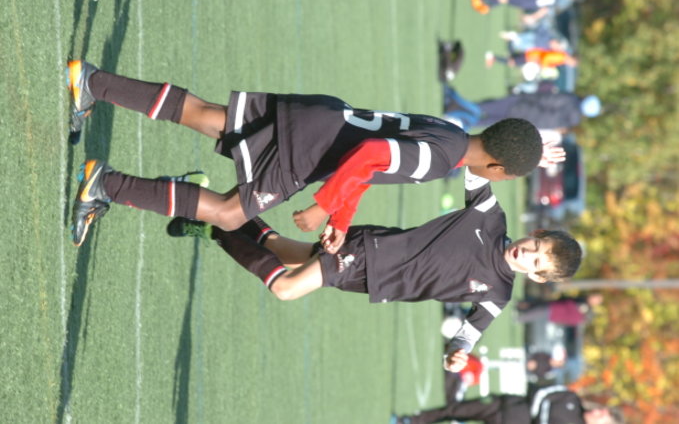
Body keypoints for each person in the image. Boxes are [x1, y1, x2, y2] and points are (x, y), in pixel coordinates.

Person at [66, 60, 561, 248]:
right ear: (496, 168)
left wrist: (341, 218)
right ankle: (103, 184)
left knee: (206, 114)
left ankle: (91, 81)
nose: (500, 181)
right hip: (309, 151)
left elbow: (370, 166)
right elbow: (368, 157)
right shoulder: (440, 161)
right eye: (506, 177)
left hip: (321, 117)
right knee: (230, 213)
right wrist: (324, 205)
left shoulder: (451, 132)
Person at [165, 168, 582, 373]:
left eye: (536, 261)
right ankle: (215, 226)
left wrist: (458, 354)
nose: (528, 253)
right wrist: (519, 158)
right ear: (536, 233)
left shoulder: (498, 295)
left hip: (374, 282)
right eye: (536, 245)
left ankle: (212, 206)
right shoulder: (491, 216)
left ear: (537, 277)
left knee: (284, 251)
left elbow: (467, 335)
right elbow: (476, 166)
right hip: (372, 250)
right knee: (286, 288)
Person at [392, 372, 624, 424]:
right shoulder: (571, 398)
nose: (597, 412)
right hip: (503, 405)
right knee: (455, 410)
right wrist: (539, 416)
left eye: (602, 417)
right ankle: (410, 421)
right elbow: (541, 393)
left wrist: (539, 415)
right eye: (601, 410)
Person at [443, 84, 602, 132]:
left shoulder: (570, 100)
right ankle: (457, 120)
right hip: (524, 121)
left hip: (523, 105)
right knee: (485, 121)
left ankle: (453, 102)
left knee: (484, 107)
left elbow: (546, 100)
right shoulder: (572, 121)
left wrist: (525, 95)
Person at [469, 0, 580, 27]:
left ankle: (481, 1)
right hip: (531, 1)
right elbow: (545, 9)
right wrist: (533, 17)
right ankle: (486, 6)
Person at [516, 293, 604, 326]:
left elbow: (571, 311)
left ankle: (520, 318)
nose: (593, 297)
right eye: (595, 296)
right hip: (556, 305)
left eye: (596, 298)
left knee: (538, 312)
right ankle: (520, 307)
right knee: (538, 305)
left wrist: (569, 303)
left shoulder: (585, 309)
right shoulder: (583, 299)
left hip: (557, 312)